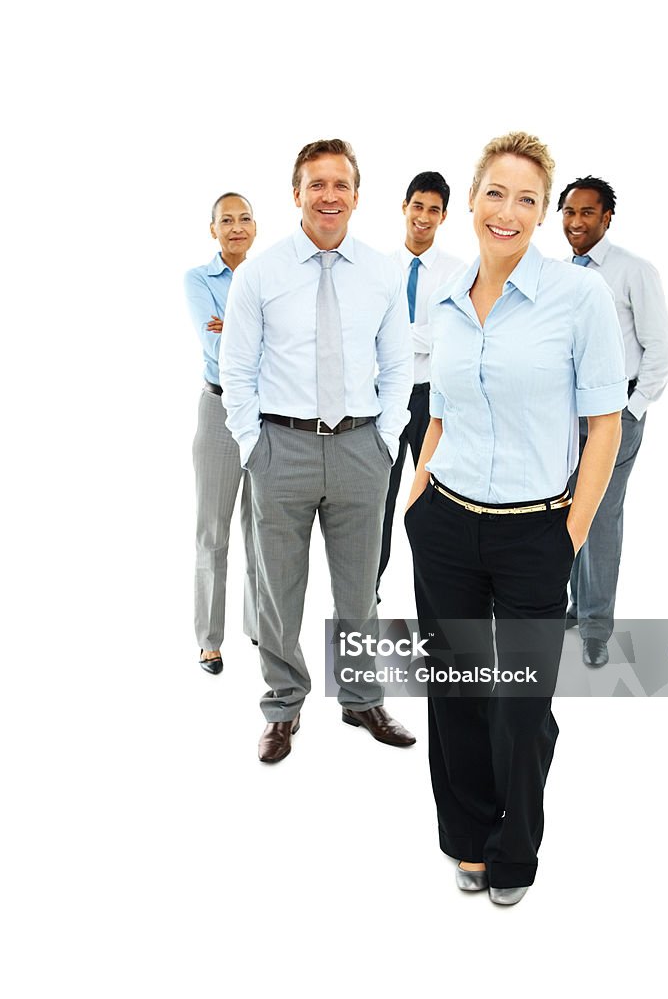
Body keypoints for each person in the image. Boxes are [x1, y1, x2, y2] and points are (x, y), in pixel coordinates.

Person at [404, 132, 626, 904]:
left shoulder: (578, 298)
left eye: (527, 199)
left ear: (542, 212)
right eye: (494, 193)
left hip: (536, 528)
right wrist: (418, 491)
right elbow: (438, 405)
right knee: (457, 690)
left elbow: (605, 425)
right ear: (471, 200)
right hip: (444, 524)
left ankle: (515, 849)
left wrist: (567, 535)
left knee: (521, 705)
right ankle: (466, 835)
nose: (508, 211)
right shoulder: (444, 296)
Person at [219, 138, 416, 763]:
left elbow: (398, 362)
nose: (328, 196)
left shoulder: (382, 272)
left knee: (360, 588)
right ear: (296, 194)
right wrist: (253, 445)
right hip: (282, 448)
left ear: (356, 195)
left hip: (361, 448)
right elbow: (237, 367)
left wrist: (385, 441)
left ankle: (361, 699)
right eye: (316, 184)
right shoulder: (261, 273)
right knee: (279, 588)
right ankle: (283, 705)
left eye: (340, 184)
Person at [559, 177, 668, 667]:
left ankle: (596, 629)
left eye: (587, 213)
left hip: (615, 413)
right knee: (565, 509)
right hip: (567, 416)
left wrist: (633, 408)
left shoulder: (633, 271)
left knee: (602, 518)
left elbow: (660, 349)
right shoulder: (562, 276)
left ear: (607, 218)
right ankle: (575, 605)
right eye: (569, 212)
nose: (576, 222)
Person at [377, 172, 466, 602]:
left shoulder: (458, 273)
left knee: (434, 505)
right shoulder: (378, 268)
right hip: (385, 398)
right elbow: (364, 335)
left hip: (435, 399)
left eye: (434, 210)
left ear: (444, 216)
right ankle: (366, 591)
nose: (424, 217)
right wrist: (420, 333)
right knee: (379, 501)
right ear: (404, 206)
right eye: (418, 206)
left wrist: (395, 331)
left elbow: (451, 337)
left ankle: (438, 594)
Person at [184, 193, 259, 675]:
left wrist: (237, 326)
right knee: (214, 529)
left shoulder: (267, 274)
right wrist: (249, 331)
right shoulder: (198, 280)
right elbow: (218, 346)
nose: (236, 226)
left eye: (245, 218)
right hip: (219, 411)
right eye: (226, 220)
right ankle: (210, 639)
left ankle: (259, 624)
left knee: (264, 530)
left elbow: (289, 342)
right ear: (213, 229)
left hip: (269, 414)